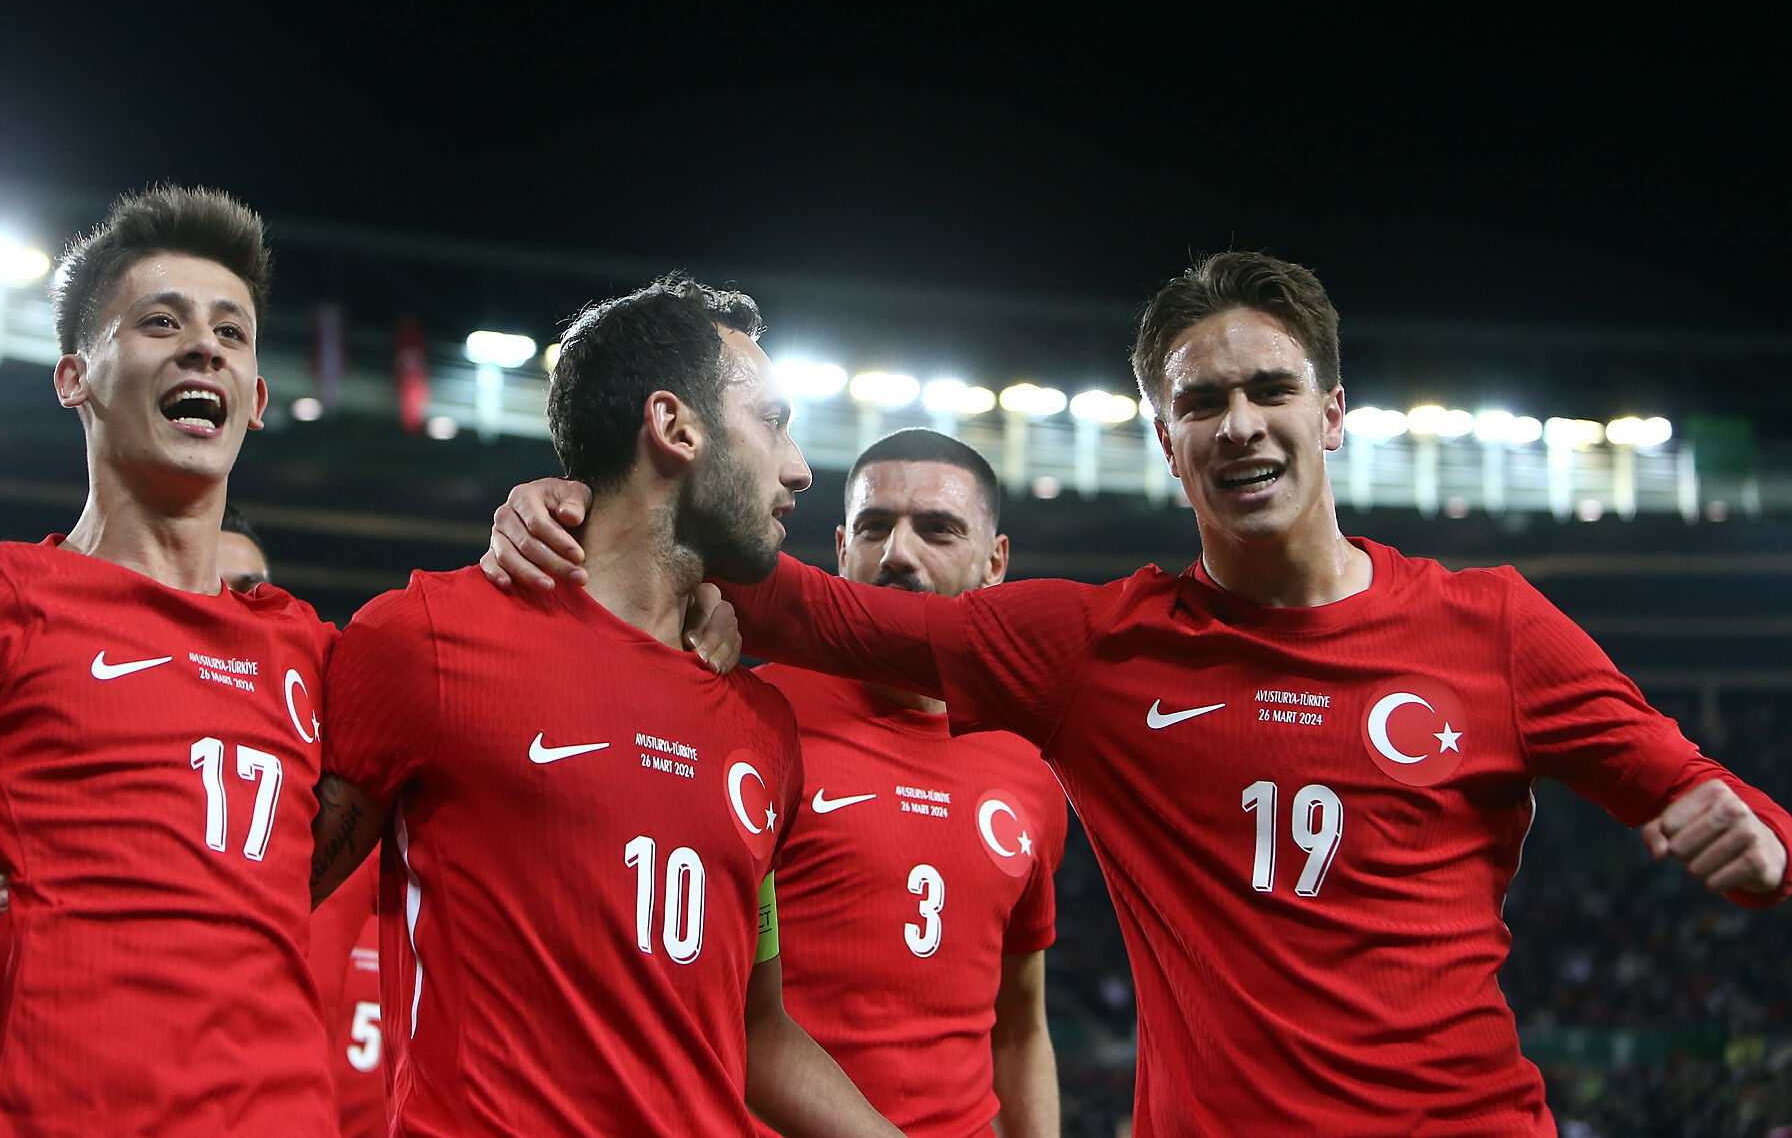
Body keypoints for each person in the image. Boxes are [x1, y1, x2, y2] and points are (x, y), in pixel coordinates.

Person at [484, 251, 1792, 1137]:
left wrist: (1760, 838)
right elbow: (809, 607)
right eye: (1201, 401)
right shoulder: (1093, 648)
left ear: (1333, 413)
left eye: (1271, 389)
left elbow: (1706, 794)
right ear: (1166, 440)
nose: (1239, 423)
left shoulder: (1494, 625)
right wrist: (589, 495)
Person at [0, 187, 342, 1137]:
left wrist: (540, 519)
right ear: (75, 378)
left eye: (231, 331)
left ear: (254, 400)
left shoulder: (312, 650)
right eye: (160, 321)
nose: (203, 347)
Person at [309, 275, 906, 1137]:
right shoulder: (431, 639)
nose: (800, 467)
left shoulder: (765, 727)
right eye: (773, 422)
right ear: (674, 427)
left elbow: (756, 1028)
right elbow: (261, 907)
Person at [750, 428, 1065, 1138]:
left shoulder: (1030, 763)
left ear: (995, 561)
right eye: (874, 527)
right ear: (840, 551)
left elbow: (1019, 1028)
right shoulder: (753, 718)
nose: (897, 552)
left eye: (937, 529)